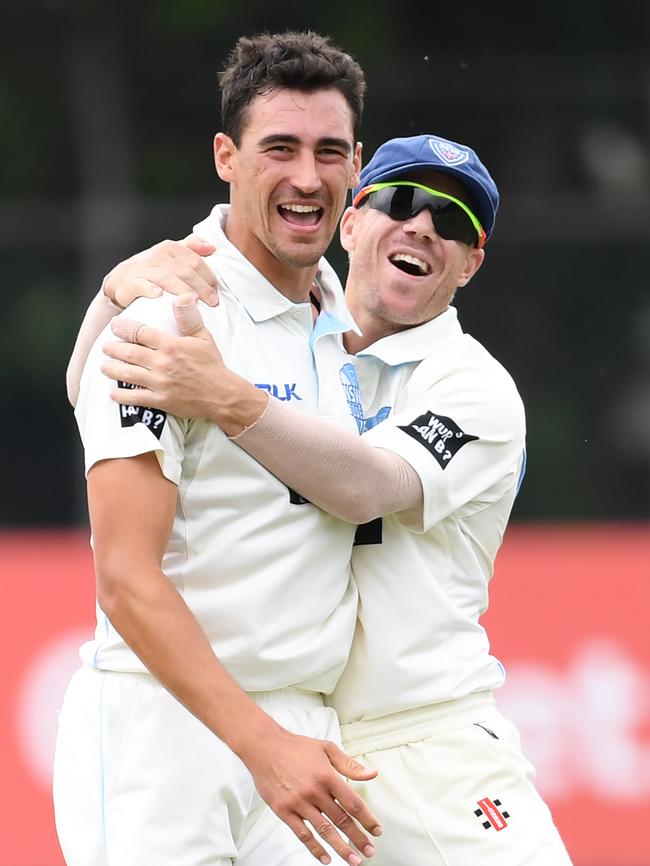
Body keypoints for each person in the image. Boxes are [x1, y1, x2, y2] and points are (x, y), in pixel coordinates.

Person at [74, 133, 575, 865]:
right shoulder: (298, 343)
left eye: (455, 224)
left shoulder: (473, 385)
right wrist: (116, 290)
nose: (424, 228)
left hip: (429, 739)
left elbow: (364, 489)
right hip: (310, 745)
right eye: (402, 202)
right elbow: (97, 390)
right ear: (349, 223)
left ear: (471, 263)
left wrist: (225, 397)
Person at [56, 30, 386, 866]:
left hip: (307, 734)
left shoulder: (349, 325)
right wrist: (259, 743)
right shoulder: (164, 318)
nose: (307, 177)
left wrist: (286, 741)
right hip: (163, 733)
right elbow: (126, 577)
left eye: (329, 151)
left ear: (358, 166)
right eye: (279, 148)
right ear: (225, 158)